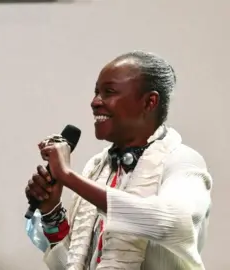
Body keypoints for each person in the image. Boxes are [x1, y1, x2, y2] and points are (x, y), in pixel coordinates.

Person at [25, 51, 212, 270]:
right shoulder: (98, 167)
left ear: (149, 102)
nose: (95, 102)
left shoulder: (182, 161)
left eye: (109, 92)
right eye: (96, 92)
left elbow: (171, 222)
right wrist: (51, 211)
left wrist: (68, 177)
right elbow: (71, 265)